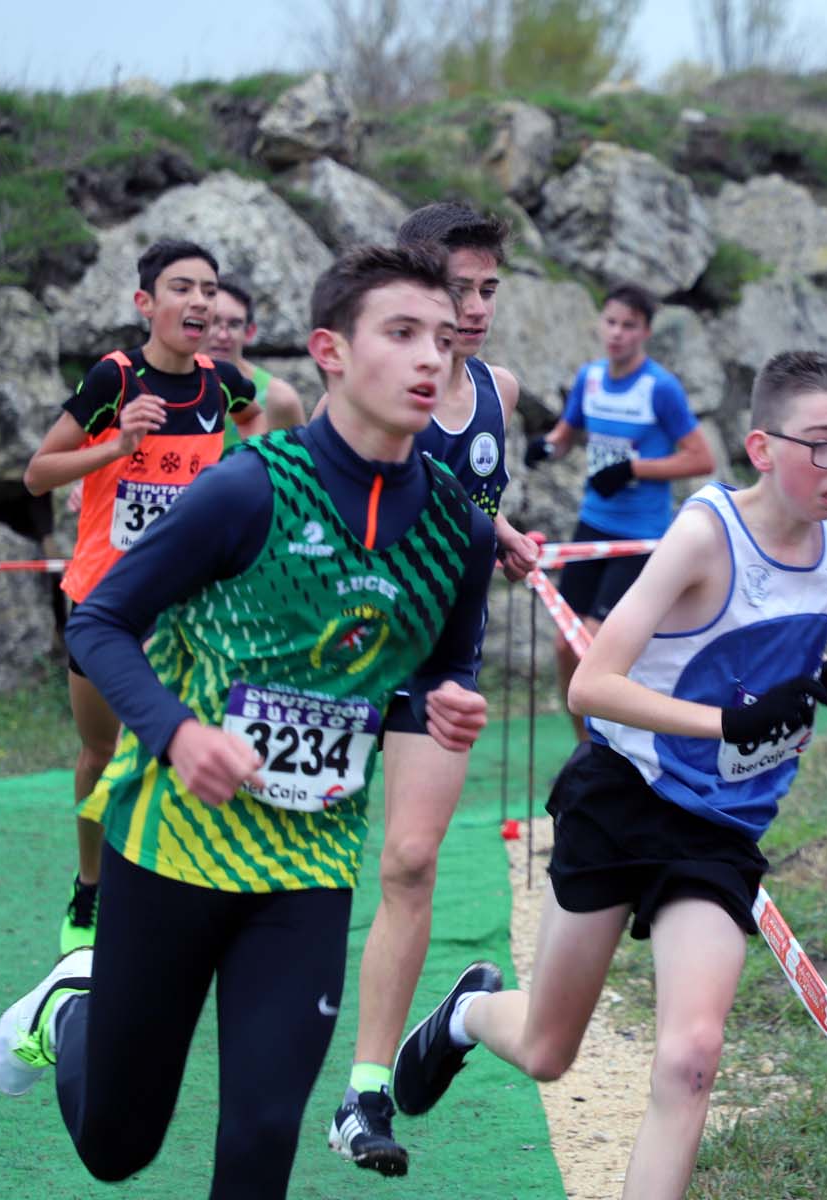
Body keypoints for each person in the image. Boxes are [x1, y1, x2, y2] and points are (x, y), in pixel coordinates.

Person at [0, 242, 495, 1200]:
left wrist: (440, 705)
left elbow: (433, 672)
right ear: (331, 352)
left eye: (443, 335)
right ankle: (70, 1007)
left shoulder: (457, 530)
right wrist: (179, 733)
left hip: (305, 863)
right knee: (118, 1147)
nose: (433, 355)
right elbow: (100, 623)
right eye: (401, 333)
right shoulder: (249, 486)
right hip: (174, 845)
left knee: (262, 1139)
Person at [395, 351, 827, 1199]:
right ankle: (466, 1015)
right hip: (623, 794)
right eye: (824, 446)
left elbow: (757, 641)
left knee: (692, 1058)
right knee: (549, 1050)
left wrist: (824, 677)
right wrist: (727, 723)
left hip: (720, 832)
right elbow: (593, 683)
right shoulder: (705, 535)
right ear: (763, 448)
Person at [323, 202, 543, 1178]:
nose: (476, 306)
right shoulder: (361, 383)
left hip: (441, 667)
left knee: (410, 864)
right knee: (300, 868)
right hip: (336, 656)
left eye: (490, 289)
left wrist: (504, 542)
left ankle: (365, 1093)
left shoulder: (501, 389)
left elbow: (474, 511)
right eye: (459, 287)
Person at [22, 238, 265, 956]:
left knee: (178, 751)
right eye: (182, 287)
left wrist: (245, 470)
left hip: (191, 608)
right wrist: (115, 448)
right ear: (145, 303)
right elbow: (38, 474)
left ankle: (175, 895)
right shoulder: (115, 378)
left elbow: (260, 415)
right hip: (105, 604)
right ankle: (90, 887)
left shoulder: (222, 383)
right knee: (101, 752)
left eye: (210, 290)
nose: (200, 302)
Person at [523, 281, 715, 738]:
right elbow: (566, 436)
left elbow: (700, 458)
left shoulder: (660, 388)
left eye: (629, 326)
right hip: (592, 524)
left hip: (639, 536)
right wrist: (544, 449)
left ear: (645, 332)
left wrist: (634, 469)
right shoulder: (590, 378)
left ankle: (613, 751)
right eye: (611, 322)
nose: (617, 333)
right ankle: (584, 749)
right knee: (565, 645)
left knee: (593, 645)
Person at [207, 276, 308, 447]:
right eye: (214, 321)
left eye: (234, 324)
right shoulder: (166, 383)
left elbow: (299, 468)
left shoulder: (279, 399)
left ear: (250, 332)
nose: (223, 335)